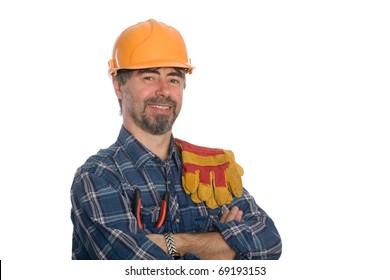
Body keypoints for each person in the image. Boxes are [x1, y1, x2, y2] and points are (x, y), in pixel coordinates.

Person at [70, 19, 282, 260]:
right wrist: (226, 245)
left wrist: (174, 243)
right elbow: (136, 269)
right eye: (149, 77)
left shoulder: (210, 169)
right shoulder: (99, 177)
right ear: (118, 85)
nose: (164, 90)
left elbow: (270, 243)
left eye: (173, 79)